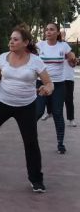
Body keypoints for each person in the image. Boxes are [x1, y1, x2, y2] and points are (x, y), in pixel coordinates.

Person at [0, 24, 52, 193]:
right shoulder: (3, 57)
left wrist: (47, 89)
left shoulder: (35, 61)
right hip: (2, 102)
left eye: (15, 39)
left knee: (31, 142)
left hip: (26, 106)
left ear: (25, 43)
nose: (11, 41)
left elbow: (48, 83)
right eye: (10, 39)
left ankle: (36, 179)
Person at [35, 23, 76, 154]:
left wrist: (73, 59)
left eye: (51, 29)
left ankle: (60, 143)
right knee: (38, 112)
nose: (48, 32)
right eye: (46, 29)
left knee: (58, 113)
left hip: (58, 85)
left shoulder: (63, 46)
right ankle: (29, 137)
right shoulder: (39, 45)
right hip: (41, 83)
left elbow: (72, 60)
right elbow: (28, 57)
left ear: (58, 32)